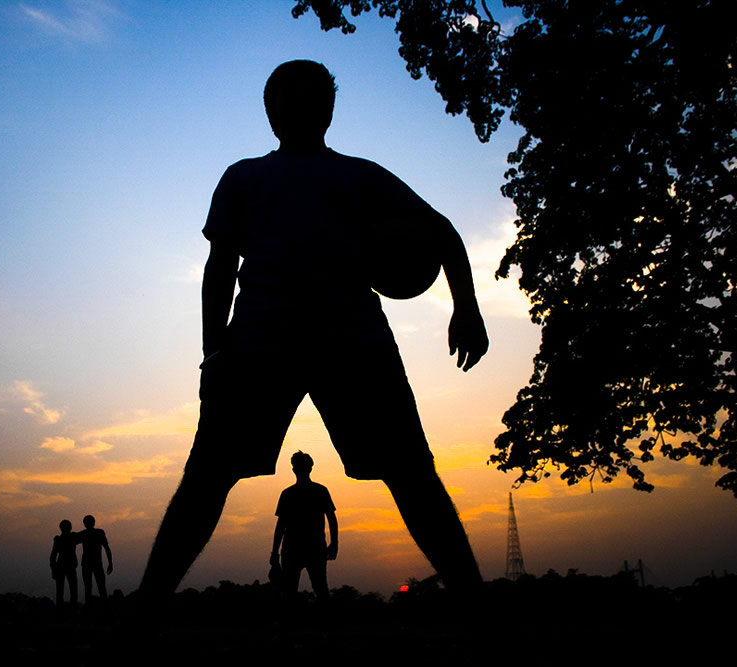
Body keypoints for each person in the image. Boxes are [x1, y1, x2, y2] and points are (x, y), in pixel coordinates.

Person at [140, 60, 488, 598]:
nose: (301, 108)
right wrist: (213, 354)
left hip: (352, 339)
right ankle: (149, 603)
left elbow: (442, 231)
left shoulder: (358, 175)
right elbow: (220, 269)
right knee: (207, 478)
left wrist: (466, 308)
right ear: (270, 112)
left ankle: (474, 600)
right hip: (261, 340)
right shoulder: (245, 176)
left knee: (413, 475)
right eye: (290, 100)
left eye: (312, 99)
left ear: (328, 111)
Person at [271, 451, 337, 601]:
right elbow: (280, 525)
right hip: (303, 548)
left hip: (303, 548)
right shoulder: (317, 491)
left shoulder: (289, 494)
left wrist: (275, 553)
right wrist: (334, 543)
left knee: (309, 590)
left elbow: (280, 526)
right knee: (316, 590)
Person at [78, 515, 113, 601]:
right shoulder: (99, 533)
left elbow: (71, 539)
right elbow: (107, 548)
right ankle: (103, 607)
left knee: (89, 587)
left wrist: (110, 563)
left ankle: (90, 608)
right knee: (100, 587)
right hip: (95, 563)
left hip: (89, 563)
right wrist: (110, 562)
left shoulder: (84, 534)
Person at [50, 520, 79, 610]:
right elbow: (53, 556)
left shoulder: (60, 539)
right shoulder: (71, 537)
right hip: (67, 566)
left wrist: (53, 570)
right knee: (72, 590)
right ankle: (71, 612)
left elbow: (53, 557)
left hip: (62, 566)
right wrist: (53, 570)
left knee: (61, 591)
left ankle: (61, 612)